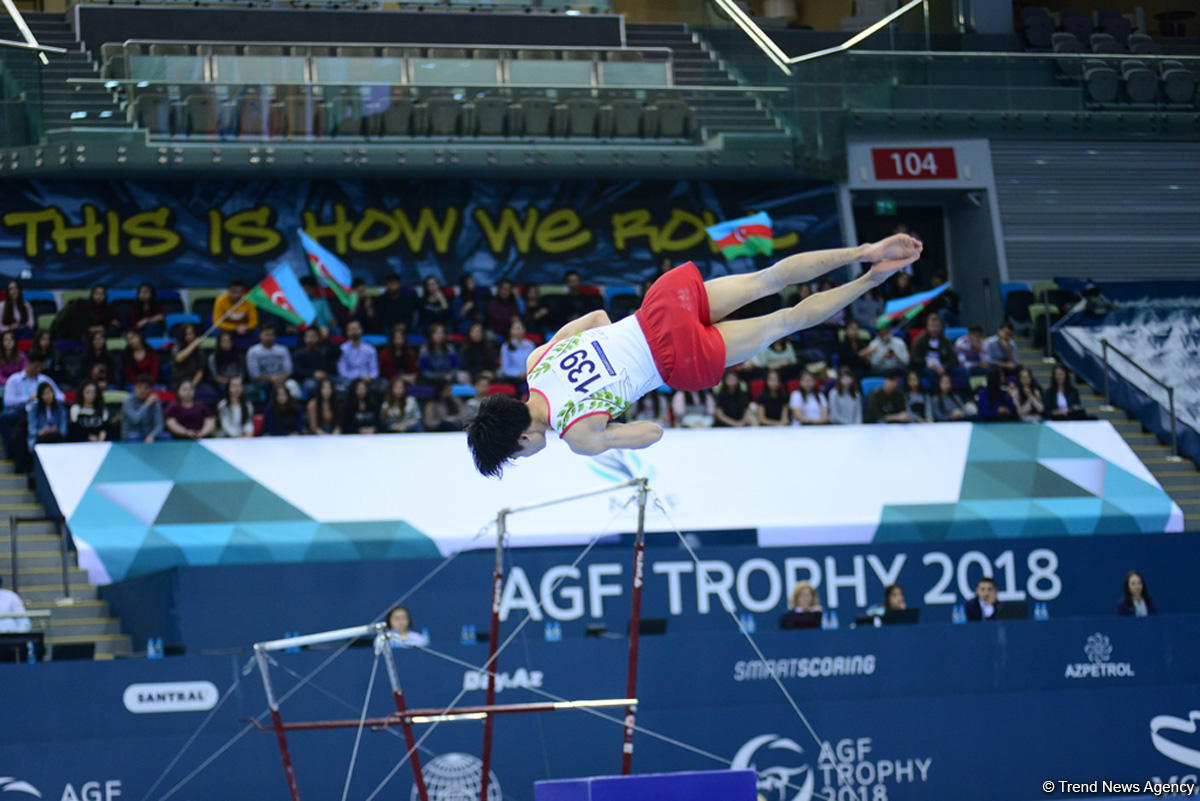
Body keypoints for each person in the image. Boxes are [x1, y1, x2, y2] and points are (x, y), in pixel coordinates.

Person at [466, 234, 922, 475]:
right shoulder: (535, 362)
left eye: (518, 457)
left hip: (676, 361)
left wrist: (609, 417)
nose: (526, 457)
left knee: (786, 322)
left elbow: (653, 432)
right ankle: (866, 251)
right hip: (659, 312)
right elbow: (599, 316)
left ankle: (870, 281)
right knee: (770, 278)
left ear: (522, 439)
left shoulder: (577, 434)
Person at [1, 353, 62, 456]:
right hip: (21, 412)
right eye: (36, 367)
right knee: (4, 418)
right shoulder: (15, 379)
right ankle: (10, 450)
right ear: (28, 363)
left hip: (41, 411)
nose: (38, 370)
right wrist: (28, 398)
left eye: (40, 367)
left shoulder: (44, 379)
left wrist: (45, 397)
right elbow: (8, 401)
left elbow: (61, 396)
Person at [246, 325, 299, 400]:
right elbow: (254, 374)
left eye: (271, 335)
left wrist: (279, 379)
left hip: (282, 380)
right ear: (260, 336)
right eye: (266, 335)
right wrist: (271, 379)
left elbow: (289, 370)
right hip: (262, 382)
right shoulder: (253, 351)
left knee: (293, 386)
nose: (269, 337)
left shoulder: (283, 350)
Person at [909, 312, 962, 385]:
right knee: (929, 372)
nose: (934, 329)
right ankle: (936, 394)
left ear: (941, 327)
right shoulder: (919, 340)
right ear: (927, 327)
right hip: (925, 367)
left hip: (942, 367)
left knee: (962, 371)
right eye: (932, 326)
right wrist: (927, 364)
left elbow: (953, 359)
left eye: (937, 326)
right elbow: (915, 358)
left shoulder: (945, 341)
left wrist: (944, 367)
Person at [26, 381, 67, 463]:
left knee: (57, 440)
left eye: (49, 393)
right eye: (44, 394)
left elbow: (63, 429)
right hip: (40, 438)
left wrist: (55, 430)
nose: (48, 396)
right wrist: (41, 432)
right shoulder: (34, 409)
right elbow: (32, 429)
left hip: (56, 437)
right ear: (40, 396)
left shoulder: (60, 408)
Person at [293, 326, 336, 397]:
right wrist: (313, 373)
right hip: (308, 378)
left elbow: (338, 352)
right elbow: (297, 371)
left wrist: (325, 339)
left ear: (318, 338)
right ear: (304, 338)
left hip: (326, 377)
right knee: (311, 386)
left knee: (344, 384)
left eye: (313, 336)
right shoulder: (299, 353)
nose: (310, 339)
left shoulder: (324, 350)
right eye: (308, 337)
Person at [121, 374, 164, 442]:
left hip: (148, 434)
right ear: (134, 388)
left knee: (167, 437)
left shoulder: (155, 401)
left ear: (150, 389)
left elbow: (159, 425)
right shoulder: (128, 401)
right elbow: (135, 420)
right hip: (131, 434)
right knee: (133, 437)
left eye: (146, 388)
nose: (142, 390)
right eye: (139, 387)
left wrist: (152, 435)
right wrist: (147, 404)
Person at [337, 320, 380, 385]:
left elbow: (374, 370)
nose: (354, 331)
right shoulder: (343, 349)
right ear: (347, 332)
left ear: (361, 330)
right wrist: (354, 378)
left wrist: (370, 377)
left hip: (367, 381)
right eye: (351, 329)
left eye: (355, 329)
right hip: (349, 381)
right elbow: (342, 370)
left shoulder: (370, 349)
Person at [497, 318, 534, 384]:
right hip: (513, 378)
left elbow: (533, 362)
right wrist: (517, 374)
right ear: (511, 331)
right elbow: (505, 367)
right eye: (516, 328)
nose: (518, 331)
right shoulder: (506, 346)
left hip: (529, 375)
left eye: (520, 328)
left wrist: (527, 373)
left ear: (524, 330)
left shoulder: (530, 345)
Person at [173, 324, 208, 390]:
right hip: (178, 381)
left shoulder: (200, 351)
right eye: (186, 334)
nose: (189, 336)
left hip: (194, 381)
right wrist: (194, 344)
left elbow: (200, 371)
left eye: (191, 333)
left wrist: (192, 386)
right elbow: (179, 358)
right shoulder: (177, 347)